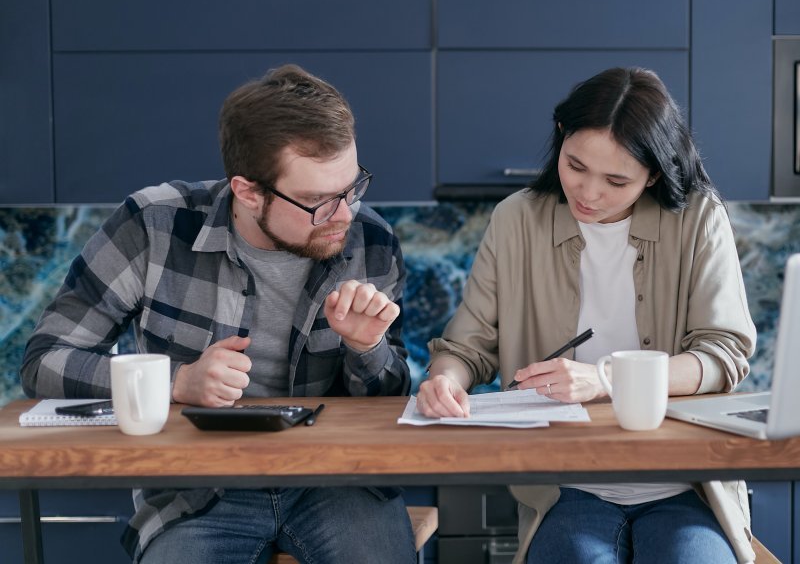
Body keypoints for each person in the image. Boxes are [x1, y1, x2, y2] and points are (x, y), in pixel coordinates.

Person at [21, 64, 416, 563]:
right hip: (195, 488)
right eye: (319, 201)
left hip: (335, 478)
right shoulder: (153, 226)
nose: (345, 214)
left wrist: (367, 348)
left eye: (352, 187)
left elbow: (391, 403)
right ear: (248, 191)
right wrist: (176, 382)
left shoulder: (371, 241)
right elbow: (45, 362)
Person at [416, 67, 757, 564]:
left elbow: (723, 356)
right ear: (560, 137)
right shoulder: (517, 219)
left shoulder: (700, 219)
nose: (589, 193)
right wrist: (445, 380)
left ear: (654, 174)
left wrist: (605, 378)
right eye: (575, 165)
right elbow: (469, 346)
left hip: (685, 482)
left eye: (617, 180)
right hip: (566, 484)